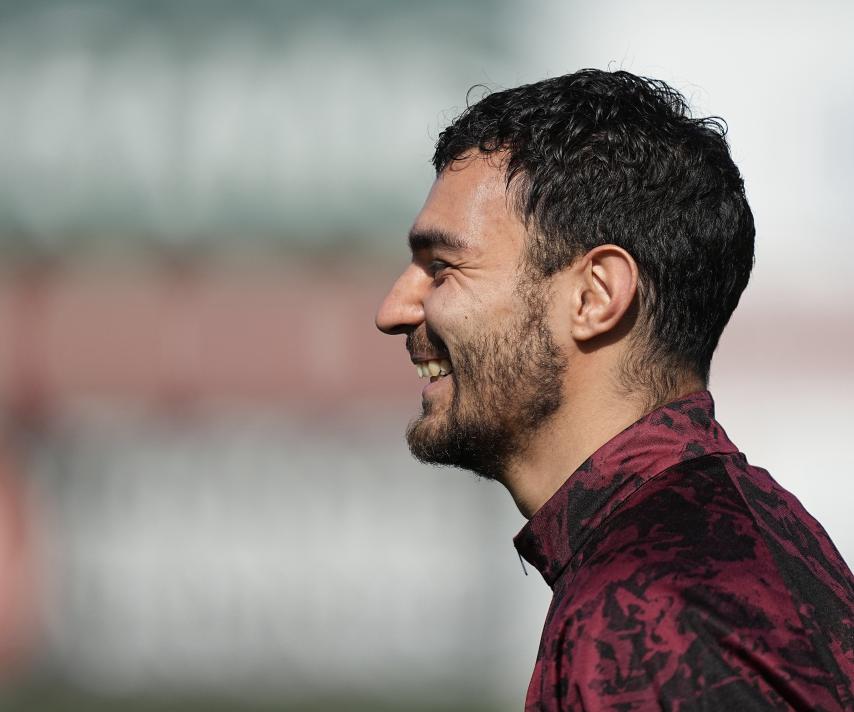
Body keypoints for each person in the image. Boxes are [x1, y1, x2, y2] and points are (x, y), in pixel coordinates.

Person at [375, 69, 854, 710]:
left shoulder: (641, 613)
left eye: (442, 267)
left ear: (595, 296)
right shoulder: (752, 538)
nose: (392, 311)